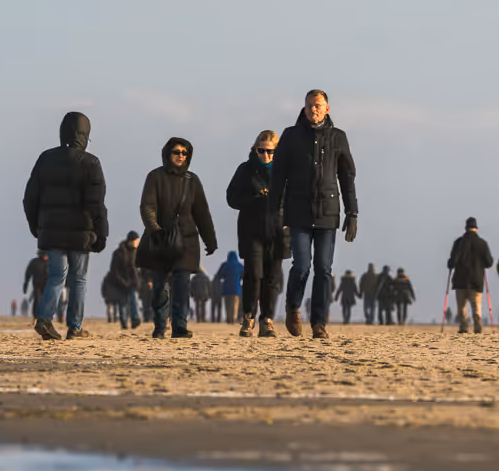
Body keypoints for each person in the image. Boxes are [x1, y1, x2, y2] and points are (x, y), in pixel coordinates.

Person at [270, 89, 357, 339]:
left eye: (318, 106)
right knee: (302, 266)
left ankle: (319, 323)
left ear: (327, 108)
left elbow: (347, 177)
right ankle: (293, 307)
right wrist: (273, 212)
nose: (314, 109)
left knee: (324, 268)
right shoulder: (291, 135)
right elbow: (278, 177)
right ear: (304, 108)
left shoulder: (338, 137)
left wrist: (353, 212)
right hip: (298, 211)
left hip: (328, 212)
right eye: (310, 106)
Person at [23, 111, 110, 341]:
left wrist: (36, 226)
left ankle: (44, 318)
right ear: (85, 135)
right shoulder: (91, 162)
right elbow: (97, 204)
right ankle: (75, 327)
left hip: (51, 232)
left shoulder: (45, 158)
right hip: (81, 234)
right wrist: (102, 234)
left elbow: (29, 197)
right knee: (78, 279)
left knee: (56, 277)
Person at [139, 137, 218, 338]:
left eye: (185, 153)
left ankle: (180, 326)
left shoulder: (192, 180)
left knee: (182, 285)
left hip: (186, 240)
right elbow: (147, 206)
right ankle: (159, 325)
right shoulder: (154, 176)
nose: (181, 156)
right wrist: (154, 230)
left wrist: (210, 240)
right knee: (159, 287)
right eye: (177, 152)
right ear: (167, 154)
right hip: (159, 239)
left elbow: (202, 212)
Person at [226, 131, 285, 336]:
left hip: (278, 230)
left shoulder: (286, 170)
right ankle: (248, 316)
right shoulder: (245, 170)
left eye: (271, 151)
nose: (266, 155)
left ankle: (267, 320)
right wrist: (254, 198)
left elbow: (298, 198)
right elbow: (231, 198)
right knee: (254, 274)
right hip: (252, 230)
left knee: (272, 278)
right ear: (255, 149)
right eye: (262, 150)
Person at [448, 217, 494, 334]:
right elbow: (489, 263)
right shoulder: (482, 243)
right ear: (476, 229)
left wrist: (450, 264)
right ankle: (477, 323)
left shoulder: (458, 242)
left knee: (461, 306)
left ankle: (463, 327)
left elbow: (452, 262)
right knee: (476, 305)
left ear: (466, 228)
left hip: (460, 279)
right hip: (477, 279)